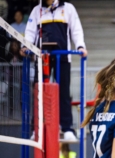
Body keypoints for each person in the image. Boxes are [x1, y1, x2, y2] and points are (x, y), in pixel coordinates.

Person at [21, 0, 88, 141]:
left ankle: (67, 128)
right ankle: (36, 130)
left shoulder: (69, 8)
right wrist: (25, 46)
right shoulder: (36, 10)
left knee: (63, 93)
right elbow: (30, 32)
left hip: (63, 57)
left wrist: (80, 46)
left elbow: (76, 30)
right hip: (42, 57)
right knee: (39, 93)